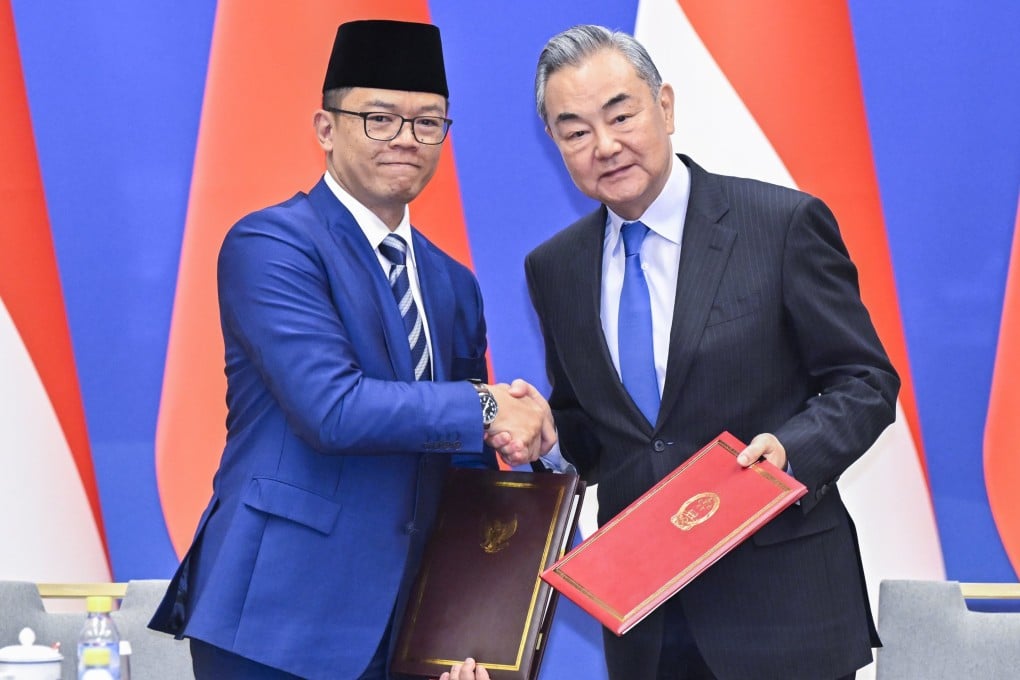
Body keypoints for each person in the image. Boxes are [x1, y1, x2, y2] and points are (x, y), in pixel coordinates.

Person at [149, 19, 551, 680]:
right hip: (278, 622)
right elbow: (332, 408)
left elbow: (464, 454)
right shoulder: (273, 246)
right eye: (380, 118)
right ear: (326, 128)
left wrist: (526, 437)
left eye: (428, 123)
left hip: (409, 629)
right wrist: (487, 407)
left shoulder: (453, 282)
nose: (406, 139)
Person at [512, 24, 900, 680]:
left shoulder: (780, 225)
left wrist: (791, 451)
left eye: (621, 113)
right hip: (649, 625)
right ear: (554, 144)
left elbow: (865, 380)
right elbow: (596, 430)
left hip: (783, 611)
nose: (604, 145)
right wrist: (550, 438)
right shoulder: (555, 269)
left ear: (664, 106)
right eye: (575, 130)